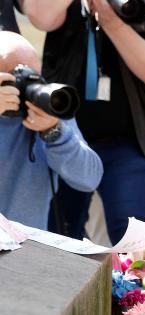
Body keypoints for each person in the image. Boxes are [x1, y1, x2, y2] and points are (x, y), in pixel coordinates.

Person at [20, 0, 145, 244]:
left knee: (134, 238)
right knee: (60, 236)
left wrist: (111, 20)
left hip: (127, 145)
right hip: (65, 141)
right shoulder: (70, 6)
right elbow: (37, 13)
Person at [0, 31, 102, 228]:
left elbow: (90, 178)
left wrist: (54, 131)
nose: (27, 87)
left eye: (35, 77)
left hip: (24, 252)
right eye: (17, 77)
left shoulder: (47, 110)